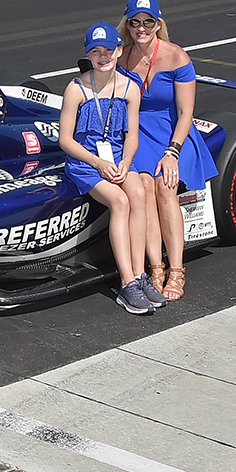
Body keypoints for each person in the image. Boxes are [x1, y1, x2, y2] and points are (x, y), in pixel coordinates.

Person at [58, 23, 166, 314]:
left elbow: (131, 135)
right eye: (95, 52)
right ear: (88, 56)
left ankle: (141, 273)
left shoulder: (130, 88)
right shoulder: (76, 89)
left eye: (108, 51)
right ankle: (127, 282)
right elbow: (65, 140)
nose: (103, 57)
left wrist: (125, 163)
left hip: (118, 159)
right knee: (120, 201)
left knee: (140, 194)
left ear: (119, 51)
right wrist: (98, 163)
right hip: (86, 164)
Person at [117, 0, 218, 300]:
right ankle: (155, 267)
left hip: (174, 134)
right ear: (128, 25)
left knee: (164, 186)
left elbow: (186, 112)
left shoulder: (178, 58)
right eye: (135, 22)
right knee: (144, 187)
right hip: (139, 132)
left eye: (148, 21)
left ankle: (176, 270)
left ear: (158, 24)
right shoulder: (121, 57)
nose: (141, 28)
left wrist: (172, 152)